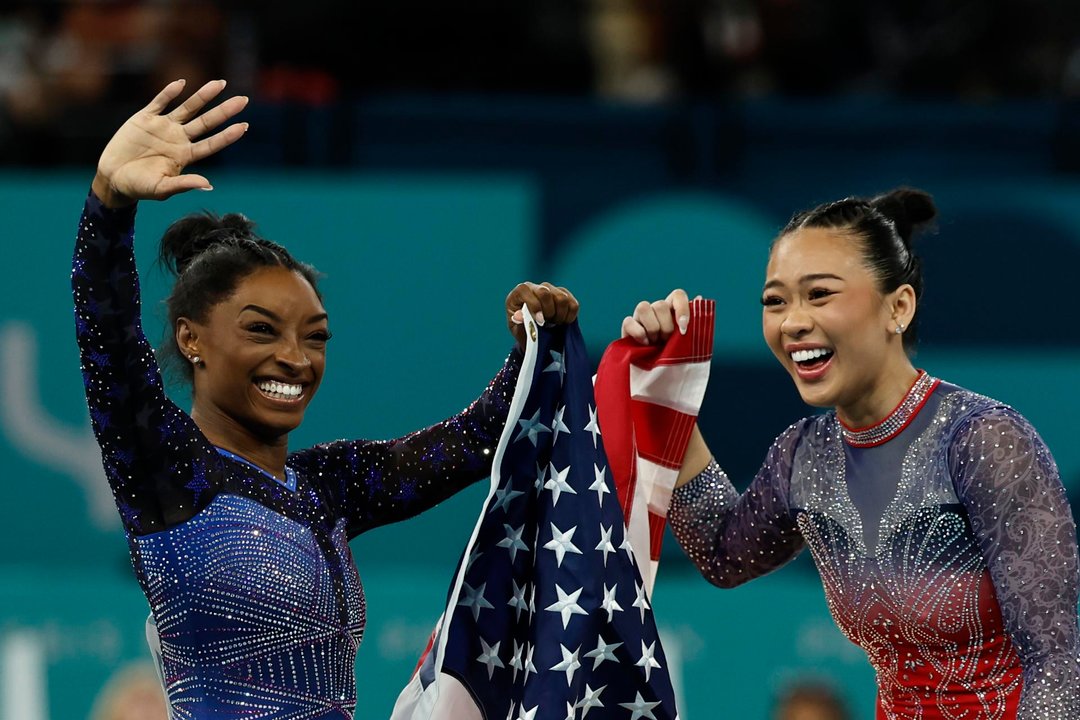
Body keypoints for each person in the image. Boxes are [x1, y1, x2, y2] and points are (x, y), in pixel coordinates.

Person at [74, 78, 579, 718]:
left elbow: (474, 442)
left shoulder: (328, 487)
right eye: (261, 330)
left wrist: (532, 344)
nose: (296, 357)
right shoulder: (168, 469)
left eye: (315, 337)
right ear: (191, 339)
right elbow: (108, 341)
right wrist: (108, 205)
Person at [622, 188, 1080, 718]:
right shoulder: (804, 455)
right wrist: (669, 395)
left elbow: (1057, 663)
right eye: (775, 301)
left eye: (819, 295)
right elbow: (723, 553)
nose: (792, 321)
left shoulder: (985, 441)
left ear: (898, 307)